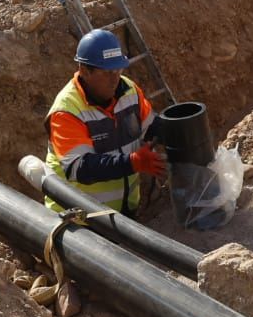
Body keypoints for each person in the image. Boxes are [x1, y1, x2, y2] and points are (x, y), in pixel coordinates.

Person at [43, 28, 165, 214]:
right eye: (107, 72)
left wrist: (180, 131)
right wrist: (133, 162)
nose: (115, 78)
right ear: (85, 71)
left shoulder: (128, 91)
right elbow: (80, 168)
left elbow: (152, 128)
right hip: (78, 220)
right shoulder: (67, 111)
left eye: (118, 69)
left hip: (124, 213)